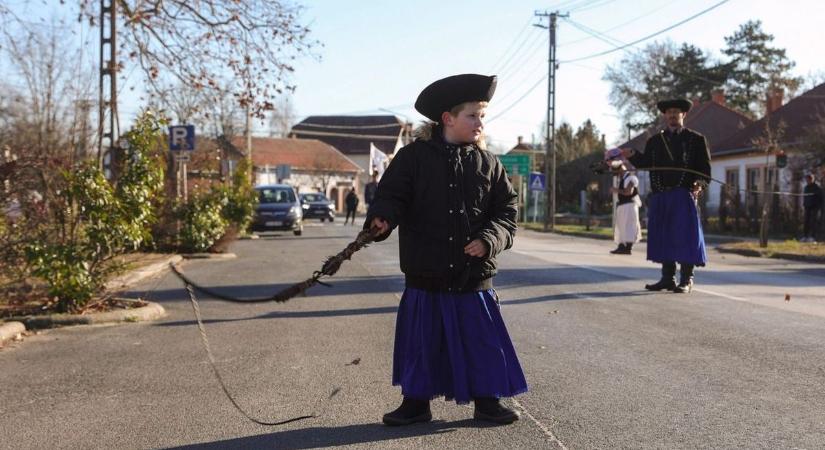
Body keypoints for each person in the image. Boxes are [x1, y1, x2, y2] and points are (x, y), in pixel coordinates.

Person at [364, 74, 527, 426]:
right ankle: (416, 404)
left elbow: (507, 213)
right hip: (426, 271)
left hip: (473, 274)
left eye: (482, 116)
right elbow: (391, 197)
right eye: (472, 115)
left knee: (481, 341)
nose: (480, 123)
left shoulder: (489, 163)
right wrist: (381, 219)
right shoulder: (412, 158)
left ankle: (488, 402)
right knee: (423, 344)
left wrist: (489, 240)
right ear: (447, 118)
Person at [619, 98, 711, 294]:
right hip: (661, 196)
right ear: (665, 116)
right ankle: (667, 278)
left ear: (683, 115)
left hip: (684, 195)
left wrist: (699, 185)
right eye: (669, 112)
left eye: (676, 112)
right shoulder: (655, 141)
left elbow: (705, 171)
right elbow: (645, 163)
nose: (672, 115)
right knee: (664, 236)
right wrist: (632, 154)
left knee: (685, 237)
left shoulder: (696, 140)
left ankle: (686, 279)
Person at [609, 163, 642, 255]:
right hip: (623, 205)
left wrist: (616, 190)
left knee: (629, 227)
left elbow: (628, 192)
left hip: (629, 206)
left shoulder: (631, 178)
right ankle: (621, 246)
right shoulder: (623, 179)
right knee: (622, 227)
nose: (616, 174)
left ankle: (628, 248)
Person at [802, 173, 823, 242]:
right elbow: (805, 197)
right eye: (807, 180)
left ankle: (813, 237)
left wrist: (818, 206)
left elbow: (821, 198)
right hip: (807, 207)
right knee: (806, 221)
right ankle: (805, 236)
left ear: (812, 179)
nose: (807, 181)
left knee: (814, 222)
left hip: (815, 207)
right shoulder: (806, 187)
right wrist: (804, 204)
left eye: (809, 179)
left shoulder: (817, 187)